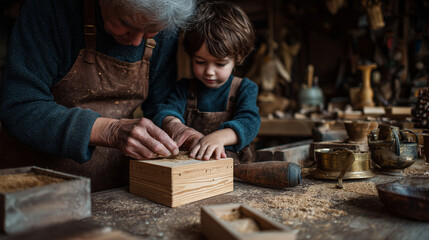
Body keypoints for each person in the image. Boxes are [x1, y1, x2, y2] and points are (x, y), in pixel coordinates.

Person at [0, 0, 200, 192]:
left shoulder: (164, 21)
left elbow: (160, 101)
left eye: (150, 32)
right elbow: (20, 106)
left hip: (115, 185)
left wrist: (172, 122)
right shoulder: (49, 9)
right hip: (37, 184)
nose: (136, 42)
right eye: (126, 24)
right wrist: (110, 130)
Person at [153, 0, 260, 163]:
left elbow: (250, 122)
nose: (209, 71)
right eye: (200, 62)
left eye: (220, 64)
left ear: (237, 58)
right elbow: (166, 111)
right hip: (193, 169)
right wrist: (175, 125)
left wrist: (218, 138)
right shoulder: (184, 88)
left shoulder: (245, 88)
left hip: (236, 172)